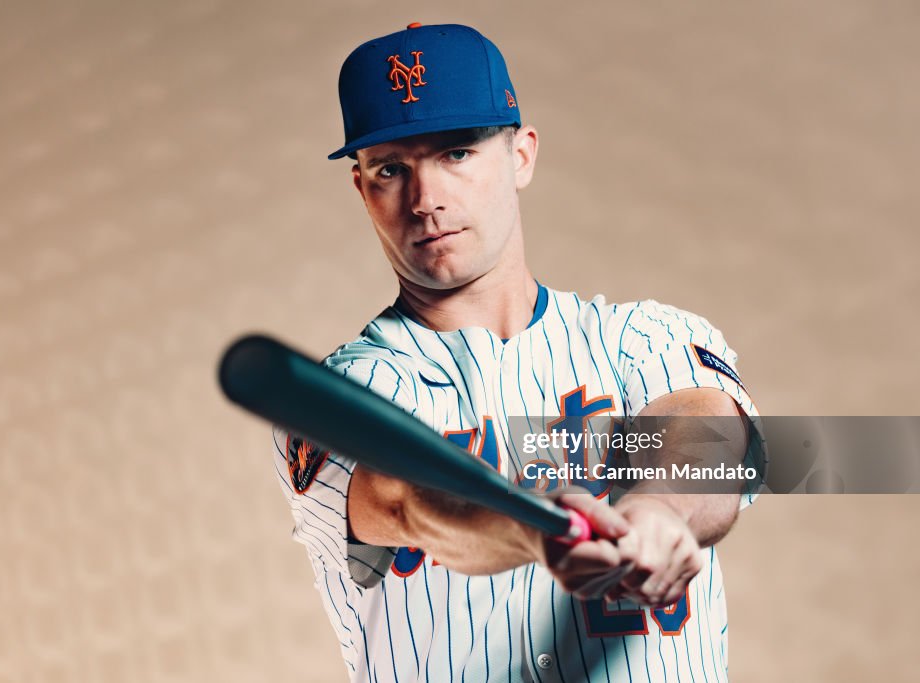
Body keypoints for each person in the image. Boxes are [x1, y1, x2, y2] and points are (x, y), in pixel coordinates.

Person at [271, 22, 763, 682]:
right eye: (391, 169)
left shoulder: (640, 339)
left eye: (457, 153)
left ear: (522, 154)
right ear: (362, 190)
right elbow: (402, 500)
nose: (427, 198)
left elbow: (700, 435)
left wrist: (655, 509)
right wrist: (534, 531)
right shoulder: (343, 392)